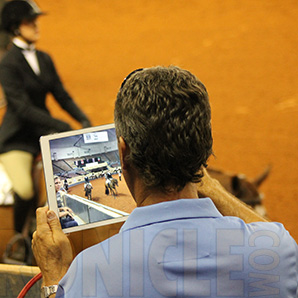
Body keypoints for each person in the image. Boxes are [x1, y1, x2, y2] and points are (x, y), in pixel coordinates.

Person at [32, 66, 298, 297]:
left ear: (121, 153)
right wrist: (212, 188)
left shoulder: (89, 273)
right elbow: (274, 239)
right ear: (204, 150)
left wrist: (55, 279)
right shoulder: (275, 251)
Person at [0, 0, 91, 237]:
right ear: (16, 27)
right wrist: (61, 125)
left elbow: (61, 95)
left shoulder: (45, 58)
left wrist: (84, 120)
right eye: (30, 21)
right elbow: (22, 108)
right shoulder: (7, 64)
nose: (36, 25)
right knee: (26, 190)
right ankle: (18, 241)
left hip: (43, 133)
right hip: (18, 138)